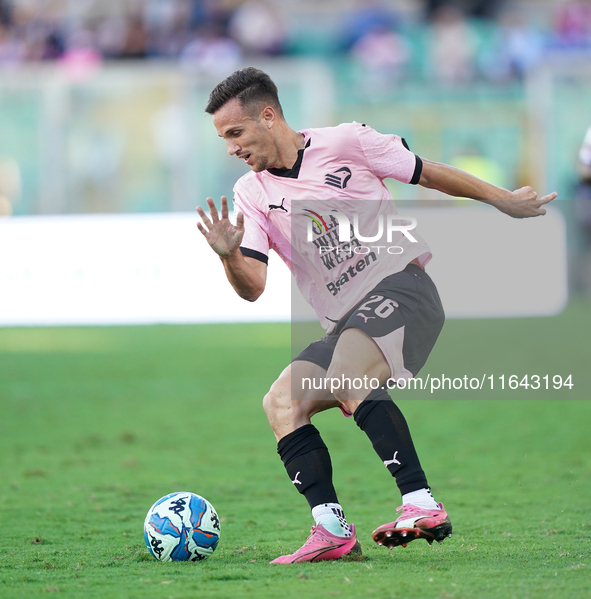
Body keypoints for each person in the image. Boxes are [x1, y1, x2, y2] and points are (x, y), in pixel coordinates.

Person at [196, 67, 557, 564]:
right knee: (281, 402)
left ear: (268, 114)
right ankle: (331, 530)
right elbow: (253, 288)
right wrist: (228, 255)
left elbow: (426, 171)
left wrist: (502, 200)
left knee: (347, 371)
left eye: (235, 133)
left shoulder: (348, 142)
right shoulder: (250, 194)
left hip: (404, 289)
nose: (231, 147)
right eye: (223, 139)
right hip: (345, 323)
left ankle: (421, 502)